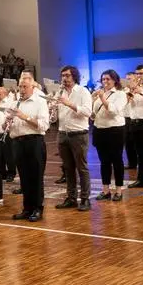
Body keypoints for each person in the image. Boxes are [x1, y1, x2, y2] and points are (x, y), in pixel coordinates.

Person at [53, 65, 94, 212]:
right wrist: (52, 109)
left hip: (78, 134)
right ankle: (71, 198)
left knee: (82, 167)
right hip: (63, 133)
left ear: (74, 76)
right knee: (68, 168)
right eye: (63, 75)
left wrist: (69, 103)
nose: (64, 78)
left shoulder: (83, 91)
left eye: (67, 75)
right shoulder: (60, 92)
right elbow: (56, 116)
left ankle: (85, 198)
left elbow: (88, 112)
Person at [9, 77, 49, 222]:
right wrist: (7, 121)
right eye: (20, 87)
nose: (22, 90)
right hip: (18, 142)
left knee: (36, 177)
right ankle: (27, 208)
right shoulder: (14, 103)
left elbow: (44, 125)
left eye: (25, 87)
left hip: (34, 142)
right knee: (24, 178)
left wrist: (24, 117)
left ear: (33, 87)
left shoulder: (40, 102)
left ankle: (37, 208)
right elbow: (4, 127)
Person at [91, 70, 128, 201]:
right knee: (104, 162)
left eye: (108, 79)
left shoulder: (120, 94)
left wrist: (101, 98)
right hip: (100, 129)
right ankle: (105, 190)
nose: (105, 82)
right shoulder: (101, 94)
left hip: (115, 130)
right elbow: (94, 112)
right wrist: (93, 99)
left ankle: (118, 190)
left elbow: (114, 111)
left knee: (117, 160)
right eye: (103, 79)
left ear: (114, 80)